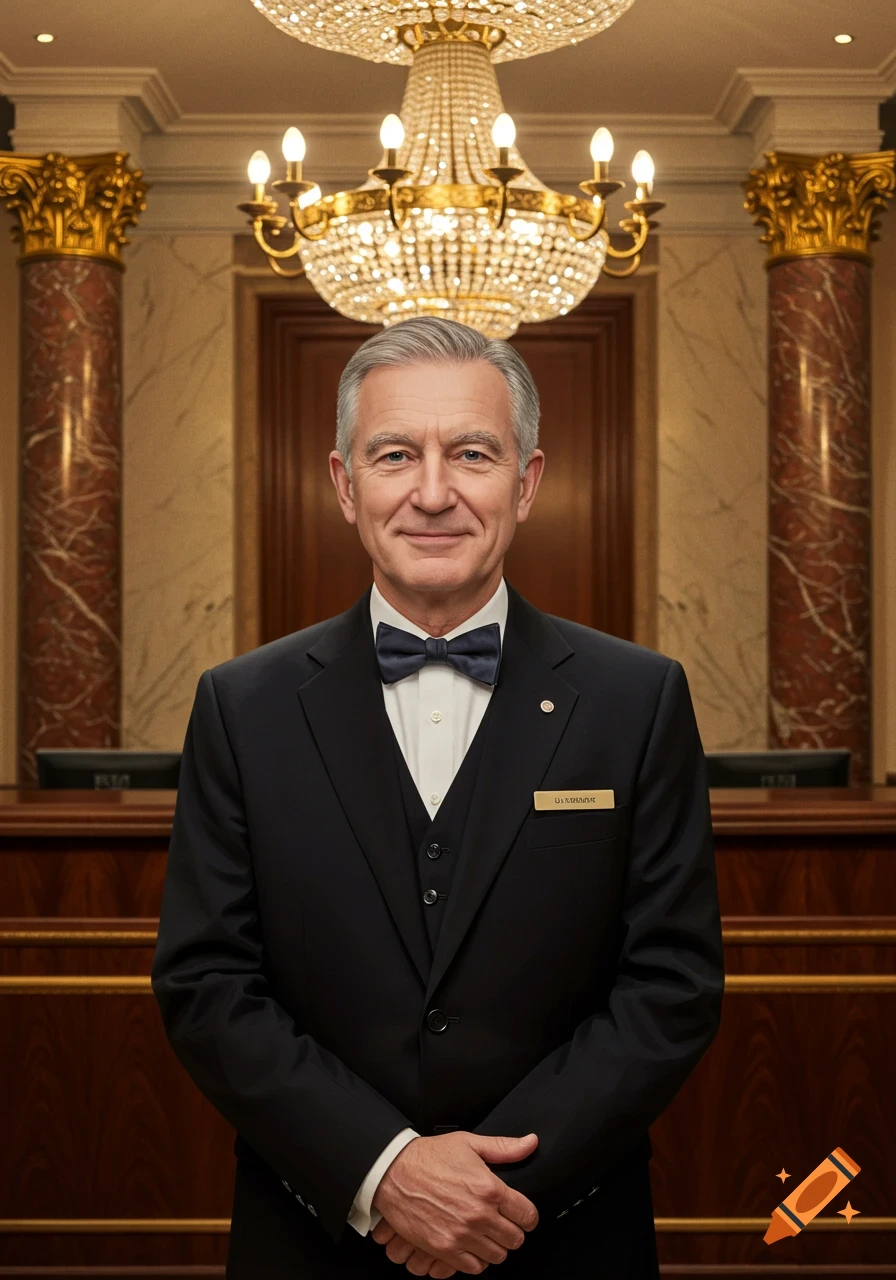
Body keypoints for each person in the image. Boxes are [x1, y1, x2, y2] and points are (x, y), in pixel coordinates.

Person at [151, 315, 725, 1279]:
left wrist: (487, 1195)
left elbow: (671, 984)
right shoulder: (240, 707)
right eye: (393, 455)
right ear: (344, 485)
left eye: (471, 453)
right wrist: (386, 1172)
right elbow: (207, 987)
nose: (432, 492)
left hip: (559, 1237)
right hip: (318, 1240)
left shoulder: (639, 699)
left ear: (526, 482)